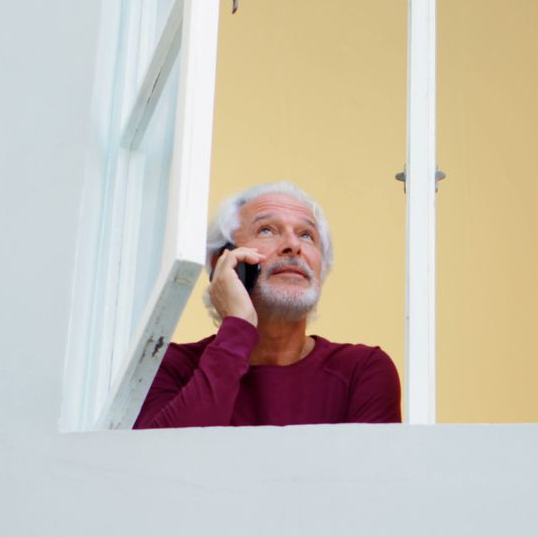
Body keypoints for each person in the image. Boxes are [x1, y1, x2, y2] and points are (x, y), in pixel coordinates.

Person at [134, 182, 401, 428]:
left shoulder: (362, 371)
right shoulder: (167, 365)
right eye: (267, 230)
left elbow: (370, 478)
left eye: (307, 235)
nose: (293, 246)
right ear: (223, 262)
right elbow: (167, 463)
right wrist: (237, 325)